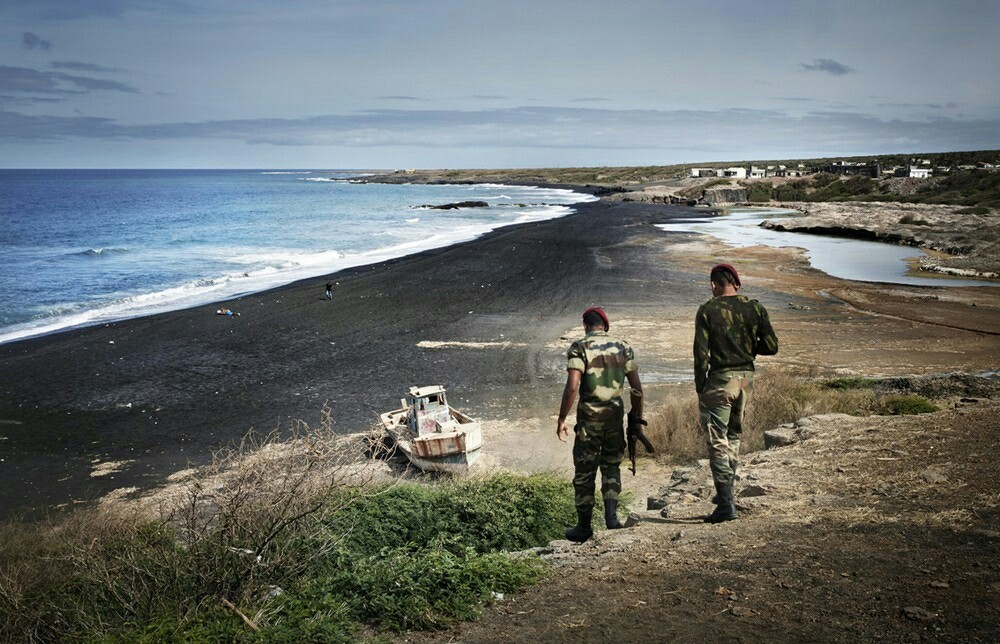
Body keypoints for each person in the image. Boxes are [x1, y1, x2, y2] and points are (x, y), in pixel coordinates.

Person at [694, 263, 778, 524]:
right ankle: (727, 495)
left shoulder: (708, 309)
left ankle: (726, 503)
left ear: (714, 284)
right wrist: (747, 348)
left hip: (721, 380)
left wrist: (701, 387)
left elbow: (701, 354)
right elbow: (772, 346)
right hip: (746, 380)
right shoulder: (755, 307)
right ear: (736, 283)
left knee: (717, 440)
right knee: (734, 436)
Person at [557, 307, 643, 543]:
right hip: (614, 420)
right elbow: (637, 389)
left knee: (585, 473)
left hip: (589, 422)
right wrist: (635, 418)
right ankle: (612, 520)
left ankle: (584, 527)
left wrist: (562, 418)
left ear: (585, 325)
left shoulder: (579, 347)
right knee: (611, 467)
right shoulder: (623, 347)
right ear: (605, 326)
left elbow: (573, 386)